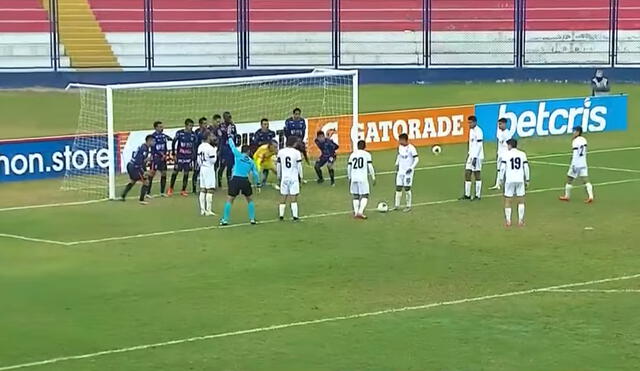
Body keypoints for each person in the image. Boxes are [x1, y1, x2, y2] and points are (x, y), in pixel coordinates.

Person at [220, 138, 261, 226]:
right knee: (249, 200)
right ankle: (252, 219)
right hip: (245, 180)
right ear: (249, 151)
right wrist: (258, 184)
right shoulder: (251, 161)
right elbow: (255, 174)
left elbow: (232, 146)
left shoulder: (238, 155)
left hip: (235, 179)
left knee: (230, 200)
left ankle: (225, 220)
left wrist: (230, 138)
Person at [499, 139, 530, 227]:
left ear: (510, 145)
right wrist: (527, 179)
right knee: (521, 200)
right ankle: (520, 221)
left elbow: (502, 168)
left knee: (508, 200)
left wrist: (501, 179)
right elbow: (526, 167)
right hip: (520, 179)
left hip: (509, 180)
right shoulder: (522, 154)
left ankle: (508, 221)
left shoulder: (506, 155)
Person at [559, 126, 594, 203]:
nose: (573, 133)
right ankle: (591, 196)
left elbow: (575, 154)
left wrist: (573, 164)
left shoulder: (575, 141)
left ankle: (567, 196)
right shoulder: (584, 140)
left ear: (578, 132)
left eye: (574, 131)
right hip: (583, 162)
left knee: (569, 179)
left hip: (576, 163)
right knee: (585, 179)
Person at [277, 136, 304, 221]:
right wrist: (301, 177)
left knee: (283, 196)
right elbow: (299, 166)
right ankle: (295, 216)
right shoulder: (296, 153)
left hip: (284, 177)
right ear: (294, 143)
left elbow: (278, 165)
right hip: (293, 178)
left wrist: (278, 176)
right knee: (293, 197)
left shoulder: (280, 152)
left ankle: (281, 215)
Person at [121, 135, 154, 204]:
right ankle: (141, 200)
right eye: (153, 141)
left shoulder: (143, 147)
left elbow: (140, 159)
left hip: (130, 165)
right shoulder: (144, 149)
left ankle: (123, 196)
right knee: (146, 182)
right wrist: (145, 172)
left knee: (133, 181)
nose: (154, 142)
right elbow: (139, 162)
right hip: (135, 167)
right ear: (149, 141)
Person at [168, 118, 197, 196]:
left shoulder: (193, 135)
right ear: (186, 126)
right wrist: (174, 154)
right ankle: (170, 188)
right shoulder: (180, 133)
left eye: (192, 126)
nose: (191, 127)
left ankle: (183, 190)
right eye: (190, 126)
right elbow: (174, 142)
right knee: (175, 171)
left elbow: (195, 145)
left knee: (186, 173)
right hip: (180, 156)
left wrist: (193, 156)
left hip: (188, 157)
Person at [348, 140, 376, 219]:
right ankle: (360, 212)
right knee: (365, 195)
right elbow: (370, 166)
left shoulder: (352, 155)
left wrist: (349, 177)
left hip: (354, 177)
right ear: (364, 146)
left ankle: (356, 212)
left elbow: (349, 167)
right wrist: (373, 177)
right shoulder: (367, 154)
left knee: (355, 195)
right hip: (362, 178)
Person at [460, 115, 484, 200]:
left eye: (470, 123)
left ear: (475, 122)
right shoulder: (471, 131)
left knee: (477, 174)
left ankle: (478, 195)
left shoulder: (479, 131)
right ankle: (467, 194)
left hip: (477, 156)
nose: (469, 124)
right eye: (468, 123)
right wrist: (470, 154)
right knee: (467, 173)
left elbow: (479, 145)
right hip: (471, 155)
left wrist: (475, 157)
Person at [394, 133, 419, 211]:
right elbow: (399, 156)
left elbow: (417, 159)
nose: (399, 141)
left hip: (408, 172)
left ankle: (408, 206)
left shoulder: (411, 148)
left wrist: (411, 168)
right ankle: (396, 206)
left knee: (407, 189)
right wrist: (397, 163)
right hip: (400, 171)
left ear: (405, 140)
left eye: (400, 140)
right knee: (398, 188)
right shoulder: (400, 147)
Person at [148, 121, 172, 197]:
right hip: (155, 158)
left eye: (162, 126)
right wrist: (161, 154)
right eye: (160, 127)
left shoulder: (164, 136)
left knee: (164, 173)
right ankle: (147, 193)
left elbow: (165, 146)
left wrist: (165, 154)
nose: (162, 128)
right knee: (152, 174)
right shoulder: (153, 137)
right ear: (156, 128)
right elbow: (153, 148)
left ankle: (162, 192)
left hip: (163, 158)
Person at [197, 132, 218, 216]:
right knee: (210, 189)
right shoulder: (210, 148)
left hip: (202, 168)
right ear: (208, 137)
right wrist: (215, 151)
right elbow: (213, 161)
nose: (213, 138)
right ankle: (208, 210)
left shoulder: (200, 146)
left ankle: (202, 210)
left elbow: (198, 159)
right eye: (211, 136)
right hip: (209, 168)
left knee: (203, 189)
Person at [215, 111, 238, 188]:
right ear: (224, 118)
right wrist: (219, 149)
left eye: (230, 117)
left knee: (230, 167)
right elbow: (220, 136)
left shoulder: (233, 126)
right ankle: (219, 183)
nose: (229, 118)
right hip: (224, 149)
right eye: (228, 117)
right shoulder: (221, 126)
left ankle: (229, 183)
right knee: (222, 166)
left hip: (230, 149)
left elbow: (235, 136)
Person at [490, 118, 512, 190]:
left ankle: (508, 183)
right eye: (498, 124)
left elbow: (510, 145)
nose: (499, 126)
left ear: (505, 124)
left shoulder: (508, 133)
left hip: (506, 154)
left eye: (500, 124)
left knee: (506, 169)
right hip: (500, 153)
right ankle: (497, 184)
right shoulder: (499, 132)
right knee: (499, 169)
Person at [192, 117, 209, 194]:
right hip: (199, 155)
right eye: (204, 123)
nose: (206, 125)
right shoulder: (197, 132)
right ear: (200, 124)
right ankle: (194, 188)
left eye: (206, 123)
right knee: (196, 171)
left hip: (206, 155)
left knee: (205, 171)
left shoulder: (208, 132)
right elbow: (194, 144)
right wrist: (195, 154)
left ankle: (205, 186)